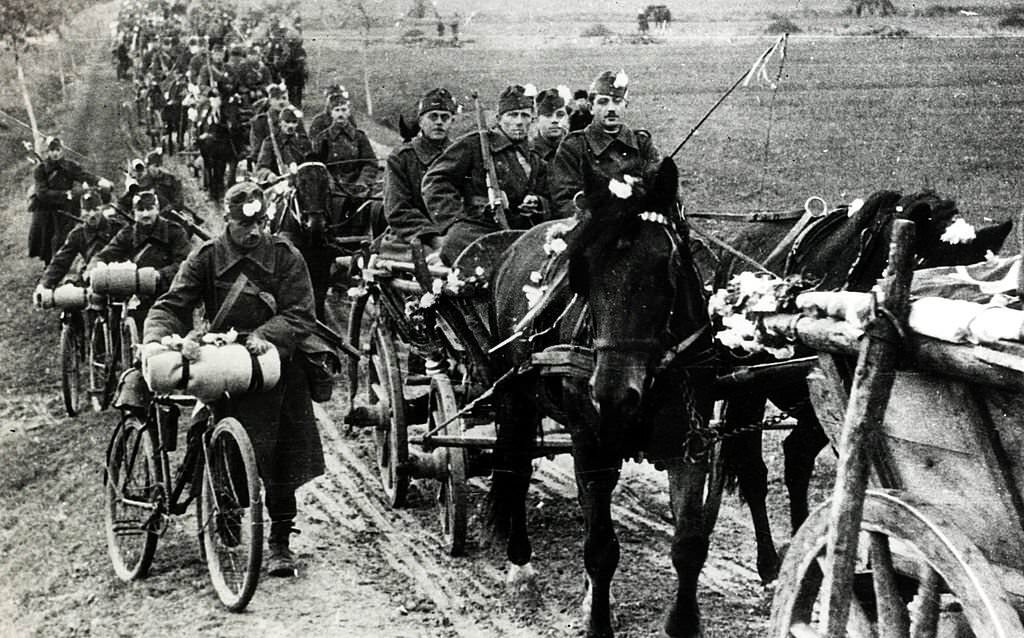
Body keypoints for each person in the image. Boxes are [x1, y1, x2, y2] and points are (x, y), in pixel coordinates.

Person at [142, 181, 326, 577]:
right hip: (223, 360)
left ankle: (280, 541)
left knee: (284, 455)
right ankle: (222, 502)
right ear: (227, 220)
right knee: (206, 436)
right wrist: (164, 341)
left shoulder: (284, 256)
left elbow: (300, 312)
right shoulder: (206, 257)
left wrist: (267, 335)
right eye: (245, 225)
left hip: (275, 363)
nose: (255, 231)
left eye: (261, 221)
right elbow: (172, 306)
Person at [421, 84, 550, 265]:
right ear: (499, 118)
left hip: (519, 230)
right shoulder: (476, 145)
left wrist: (536, 202)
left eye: (525, 115)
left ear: (532, 120)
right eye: (512, 115)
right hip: (476, 228)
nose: (519, 121)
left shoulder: (535, 159)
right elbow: (435, 181)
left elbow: (548, 194)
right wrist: (454, 220)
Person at [550, 70, 661, 219]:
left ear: (625, 105)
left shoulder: (642, 143)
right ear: (591, 107)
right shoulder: (574, 147)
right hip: (596, 227)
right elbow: (564, 201)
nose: (611, 109)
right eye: (603, 102)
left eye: (617, 101)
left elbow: (661, 188)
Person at [88, 190, 192, 331]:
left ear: (158, 209)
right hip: (137, 296)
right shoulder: (127, 235)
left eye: (150, 209)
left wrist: (160, 275)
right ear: (134, 212)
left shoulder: (174, 232)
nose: (145, 214)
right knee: (116, 322)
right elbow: (105, 255)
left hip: (167, 295)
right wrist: (96, 267)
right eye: (140, 210)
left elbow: (185, 264)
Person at [384, 88, 456, 246]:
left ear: (452, 121)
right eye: (433, 116)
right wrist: (432, 238)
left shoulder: (461, 155)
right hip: (412, 237)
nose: (439, 122)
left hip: (455, 235)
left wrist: (455, 236)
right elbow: (397, 210)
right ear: (421, 121)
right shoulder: (401, 158)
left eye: (445, 117)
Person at [29, 136, 112, 264]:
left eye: (57, 149)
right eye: (51, 150)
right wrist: (65, 194)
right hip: (46, 209)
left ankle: (61, 264)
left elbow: (83, 176)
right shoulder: (40, 169)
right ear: (47, 152)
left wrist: (100, 181)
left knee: (64, 236)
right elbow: (41, 193)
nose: (55, 153)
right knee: (46, 238)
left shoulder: (69, 165)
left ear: (61, 149)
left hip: (64, 208)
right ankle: (49, 266)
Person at [35, 191, 121, 295]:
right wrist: (44, 284)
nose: (92, 214)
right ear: (81, 212)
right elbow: (61, 261)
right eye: (88, 210)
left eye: (96, 209)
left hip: (120, 278)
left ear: (102, 209)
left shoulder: (118, 228)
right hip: (91, 281)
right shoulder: (77, 234)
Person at [312, 91, 377, 188]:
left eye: (344, 110)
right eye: (337, 110)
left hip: (357, 188)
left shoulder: (359, 137)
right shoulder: (323, 138)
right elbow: (317, 165)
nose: (340, 114)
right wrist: (328, 181)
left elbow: (370, 163)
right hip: (332, 190)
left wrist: (363, 182)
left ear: (349, 112)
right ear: (331, 113)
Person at [256, 106, 312, 177]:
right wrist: (268, 175)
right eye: (287, 121)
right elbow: (261, 168)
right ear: (280, 123)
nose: (290, 125)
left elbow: (312, 163)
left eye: (294, 122)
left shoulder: (303, 141)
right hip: (280, 182)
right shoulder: (271, 142)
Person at [530, 87, 570, 163]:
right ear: (537, 120)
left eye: (560, 115)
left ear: (567, 119)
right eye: (548, 115)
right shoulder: (529, 153)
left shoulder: (576, 151)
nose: (554, 120)